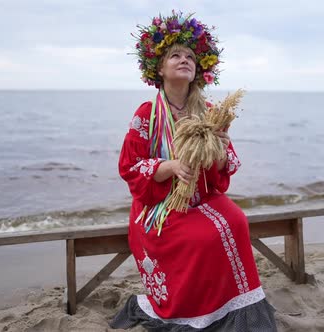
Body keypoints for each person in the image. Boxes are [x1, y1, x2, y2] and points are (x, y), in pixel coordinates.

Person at [110, 11, 277, 331]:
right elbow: (129, 167)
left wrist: (218, 148)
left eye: (190, 56)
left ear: (199, 67)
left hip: (202, 196)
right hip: (159, 207)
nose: (184, 59)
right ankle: (193, 311)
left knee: (236, 221)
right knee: (202, 236)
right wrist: (167, 166)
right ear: (159, 68)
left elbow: (223, 169)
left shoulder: (210, 111)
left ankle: (232, 311)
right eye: (175, 55)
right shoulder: (148, 113)